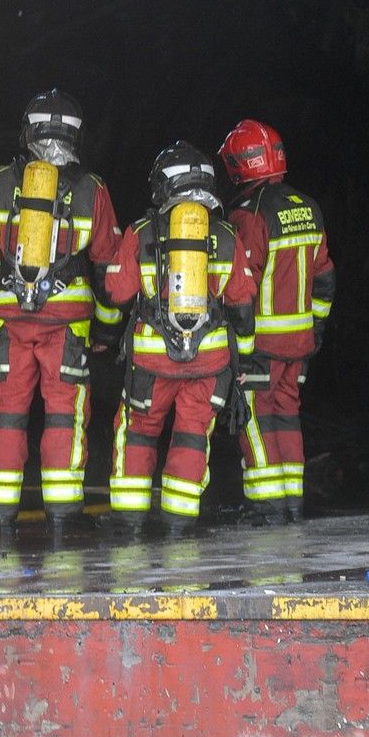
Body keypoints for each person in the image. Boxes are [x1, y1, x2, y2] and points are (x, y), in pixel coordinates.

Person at [0, 90, 124, 534]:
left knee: (8, 412)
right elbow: (111, 266)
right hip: (67, 325)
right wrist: (106, 328)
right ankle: (64, 517)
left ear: (28, 130)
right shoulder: (93, 189)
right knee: (64, 414)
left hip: (10, 323)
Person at [107, 142, 260, 533]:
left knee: (138, 432)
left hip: (151, 364)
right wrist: (240, 363)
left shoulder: (140, 233)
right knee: (192, 438)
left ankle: (130, 525)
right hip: (208, 365)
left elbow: (118, 293)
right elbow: (242, 307)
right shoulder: (226, 235)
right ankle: (178, 527)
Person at [218, 118, 336, 521]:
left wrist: (241, 348)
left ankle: (267, 505)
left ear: (241, 164)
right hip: (300, 343)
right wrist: (316, 328)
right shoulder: (309, 207)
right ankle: (292, 501)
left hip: (263, 343)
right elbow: (325, 277)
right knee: (287, 416)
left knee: (253, 414)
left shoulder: (250, 214)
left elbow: (242, 287)